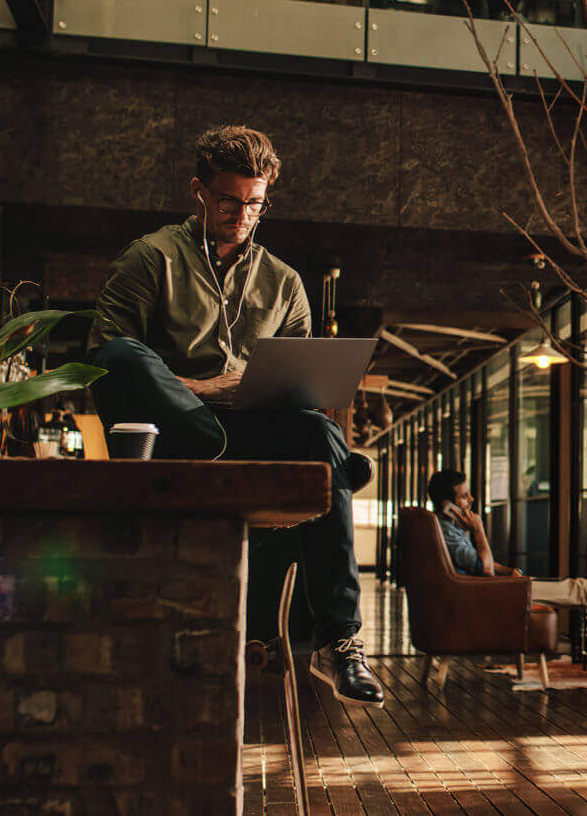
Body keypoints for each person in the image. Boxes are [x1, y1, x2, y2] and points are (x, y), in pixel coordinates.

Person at [87, 125, 384, 706]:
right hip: (176, 429)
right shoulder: (153, 257)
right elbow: (105, 366)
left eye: (255, 203)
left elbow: (300, 388)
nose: (243, 214)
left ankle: (340, 640)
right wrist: (197, 388)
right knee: (122, 356)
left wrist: (223, 385)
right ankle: (336, 471)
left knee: (319, 428)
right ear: (199, 191)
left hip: (247, 427)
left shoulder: (286, 283)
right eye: (230, 201)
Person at [427, 469, 517, 577]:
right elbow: (487, 571)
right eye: (464, 496)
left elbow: (476, 560)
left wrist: (509, 572)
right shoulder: (446, 531)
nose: (471, 499)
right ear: (448, 506)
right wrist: (479, 529)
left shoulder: (451, 526)